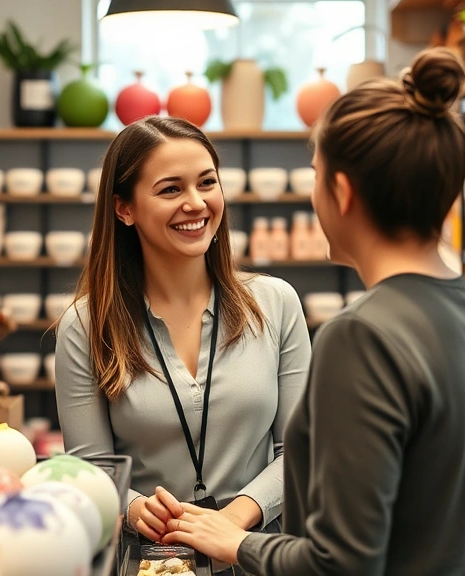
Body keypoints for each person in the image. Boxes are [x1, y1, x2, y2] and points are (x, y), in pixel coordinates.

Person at [158, 48, 465, 575]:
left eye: (316, 176)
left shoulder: (362, 335)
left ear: (341, 192)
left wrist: (233, 542)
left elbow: (341, 565)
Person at [54, 116, 311, 566]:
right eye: (171, 189)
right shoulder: (87, 323)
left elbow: (302, 451)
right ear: (124, 209)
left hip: (253, 553)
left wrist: (232, 520)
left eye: (207, 183)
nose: (196, 203)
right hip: (148, 559)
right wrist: (135, 507)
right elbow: (90, 467)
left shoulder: (276, 303)